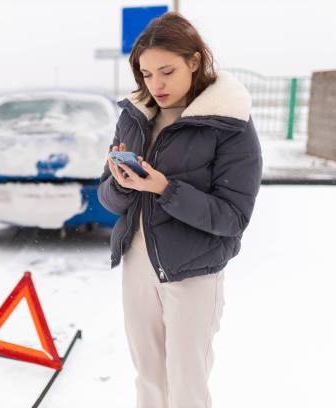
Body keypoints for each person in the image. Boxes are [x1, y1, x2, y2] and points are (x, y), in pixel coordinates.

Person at [97, 11, 263, 408]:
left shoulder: (230, 124)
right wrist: (121, 184)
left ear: (194, 60)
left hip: (193, 272)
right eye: (147, 74)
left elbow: (232, 218)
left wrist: (165, 189)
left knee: (186, 385)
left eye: (167, 71)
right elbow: (107, 197)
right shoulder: (134, 116)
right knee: (149, 380)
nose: (157, 85)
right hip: (138, 263)